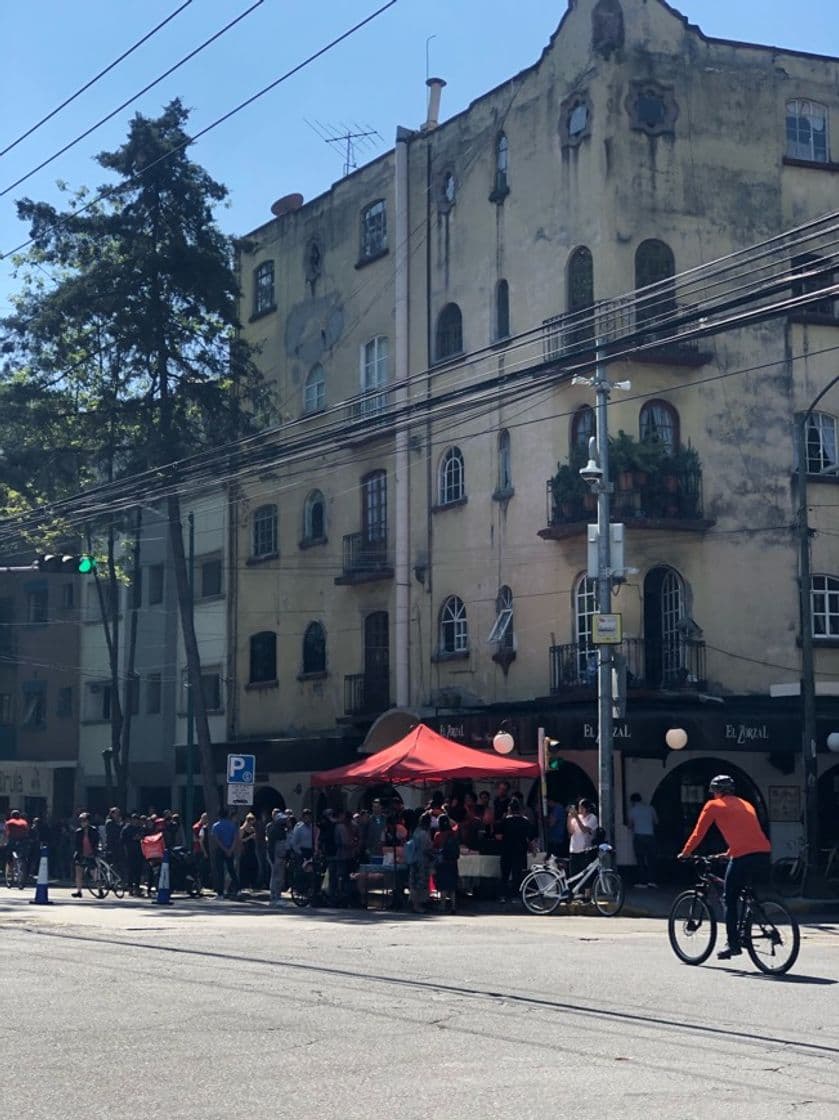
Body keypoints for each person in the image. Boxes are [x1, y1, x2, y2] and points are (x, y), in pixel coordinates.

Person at [677, 774, 771, 960]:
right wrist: (728, 853)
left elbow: (698, 833)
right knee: (744, 893)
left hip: (743, 856)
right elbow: (747, 833)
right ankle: (750, 923)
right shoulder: (746, 804)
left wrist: (685, 853)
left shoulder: (713, 806)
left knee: (729, 899)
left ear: (716, 792)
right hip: (763, 854)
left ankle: (733, 944)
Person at [497, 797, 532, 902]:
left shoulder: (505, 821)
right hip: (520, 850)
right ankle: (515, 896)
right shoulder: (525, 821)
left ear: (509, 809)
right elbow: (529, 837)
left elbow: (498, 836)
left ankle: (503, 896)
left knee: (505, 875)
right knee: (517, 874)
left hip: (507, 850)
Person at [628, 792, 658, 887]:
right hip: (650, 836)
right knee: (651, 859)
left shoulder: (632, 810)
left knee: (640, 859)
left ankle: (642, 882)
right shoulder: (650, 808)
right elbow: (656, 821)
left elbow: (630, 825)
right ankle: (652, 881)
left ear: (632, 801)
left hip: (639, 836)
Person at [211, 809, 241, 899]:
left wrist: (224, 849)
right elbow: (235, 838)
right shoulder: (232, 825)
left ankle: (220, 893)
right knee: (231, 870)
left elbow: (216, 840)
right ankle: (238, 889)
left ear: (219, 816)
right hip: (230, 848)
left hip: (220, 850)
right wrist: (230, 850)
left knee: (220, 871)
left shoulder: (216, 826)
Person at [433, 814, 460, 913]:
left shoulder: (438, 835)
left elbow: (435, 848)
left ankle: (442, 905)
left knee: (443, 885)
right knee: (452, 886)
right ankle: (453, 906)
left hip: (442, 862)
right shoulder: (453, 833)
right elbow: (456, 824)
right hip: (453, 862)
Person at [408, 812, 434, 913]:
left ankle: (414, 903)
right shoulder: (424, 834)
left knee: (414, 882)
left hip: (414, 859)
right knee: (420, 883)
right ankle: (417, 905)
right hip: (421, 861)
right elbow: (426, 849)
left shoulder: (416, 831)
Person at [567, 798, 598, 879]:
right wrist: (569, 818)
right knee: (574, 875)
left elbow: (585, 830)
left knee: (586, 876)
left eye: (581, 807)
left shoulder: (592, 818)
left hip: (585, 850)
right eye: (579, 807)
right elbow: (570, 831)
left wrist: (576, 818)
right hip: (574, 849)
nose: (579, 809)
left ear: (587, 808)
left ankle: (587, 891)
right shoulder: (578, 817)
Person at [71, 812, 100, 897]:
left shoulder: (94, 831)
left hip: (91, 854)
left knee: (94, 874)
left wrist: (94, 852)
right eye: (81, 821)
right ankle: (79, 891)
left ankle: (99, 889)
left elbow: (96, 843)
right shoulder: (78, 832)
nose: (83, 822)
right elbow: (76, 844)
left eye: (84, 820)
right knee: (79, 873)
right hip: (81, 854)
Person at [266, 809, 288, 906]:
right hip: (275, 856)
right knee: (276, 877)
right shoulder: (274, 829)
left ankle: (277, 895)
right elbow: (271, 845)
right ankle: (274, 896)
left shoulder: (282, 830)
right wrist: (272, 858)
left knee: (280, 877)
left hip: (280, 856)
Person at [121, 812, 144, 896]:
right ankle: (130, 888)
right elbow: (122, 840)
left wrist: (140, 838)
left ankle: (137, 888)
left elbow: (144, 838)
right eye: (134, 819)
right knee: (131, 871)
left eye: (137, 819)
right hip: (129, 852)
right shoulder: (126, 829)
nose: (135, 821)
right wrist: (132, 839)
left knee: (138, 871)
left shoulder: (140, 828)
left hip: (139, 852)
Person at [5, 810, 30, 884]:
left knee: (9, 857)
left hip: (12, 842)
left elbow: (7, 833)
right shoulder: (24, 822)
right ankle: (22, 870)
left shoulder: (9, 822)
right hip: (23, 842)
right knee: (22, 857)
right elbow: (27, 832)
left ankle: (10, 869)